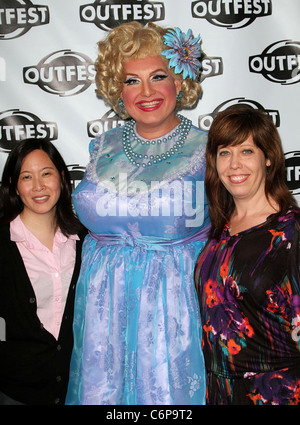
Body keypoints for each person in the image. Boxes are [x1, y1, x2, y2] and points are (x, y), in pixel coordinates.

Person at [66, 22, 210, 405]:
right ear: (119, 89)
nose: (145, 92)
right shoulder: (103, 144)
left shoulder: (209, 149)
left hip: (175, 311)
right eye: (132, 81)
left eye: (158, 77)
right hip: (102, 309)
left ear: (180, 82)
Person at [194, 105, 300, 405]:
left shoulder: (292, 232)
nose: (234, 164)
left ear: (268, 157)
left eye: (246, 151)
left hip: (275, 395)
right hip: (219, 393)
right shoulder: (219, 231)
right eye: (224, 152)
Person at [0, 139, 85, 405]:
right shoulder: (3, 244)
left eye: (46, 173)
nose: (38, 186)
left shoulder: (86, 241)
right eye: (27, 177)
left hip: (78, 390)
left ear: (62, 177)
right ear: (14, 184)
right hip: (15, 392)